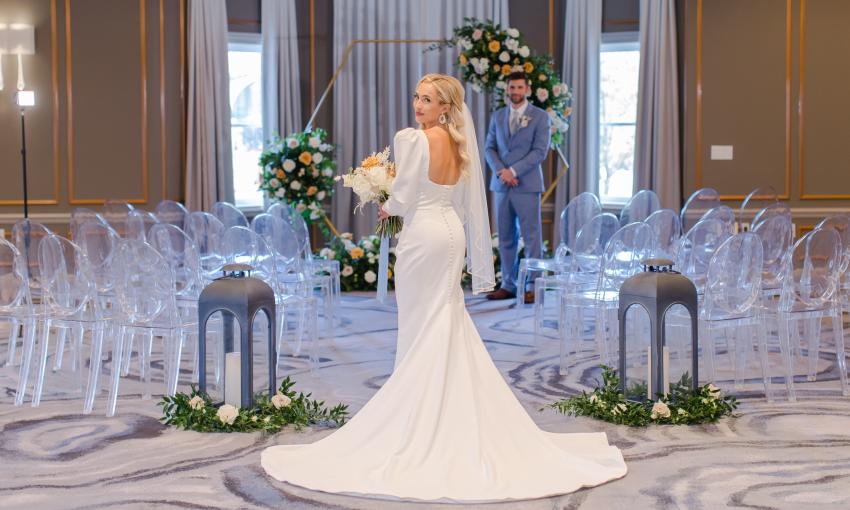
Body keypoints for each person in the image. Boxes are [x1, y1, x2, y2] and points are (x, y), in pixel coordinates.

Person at [261, 73, 626, 502]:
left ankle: (418, 418)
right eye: (416, 96)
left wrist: (384, 202)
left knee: (420, 326)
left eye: (428, 99)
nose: (418, 105)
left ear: (446, 107)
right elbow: (455, 198)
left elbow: (405, 196)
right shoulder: (459, 143)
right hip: (450, 234)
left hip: (423, 239)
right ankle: (451, 414)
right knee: (445, 319)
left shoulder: (413, 139)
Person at [484, 71, 550, 304]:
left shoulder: (540, 117)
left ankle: (533, 286)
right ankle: (508, 284)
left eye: (520, 87)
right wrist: (502, 171)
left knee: (532, 237)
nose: (515, 92)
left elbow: (539, 152)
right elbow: (489, 147)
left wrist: (514, 171)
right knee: (505, 238)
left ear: (527, 90)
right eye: (512, 88)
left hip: (526, 184)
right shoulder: (498, 116)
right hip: (502, 186)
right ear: (508, 89)